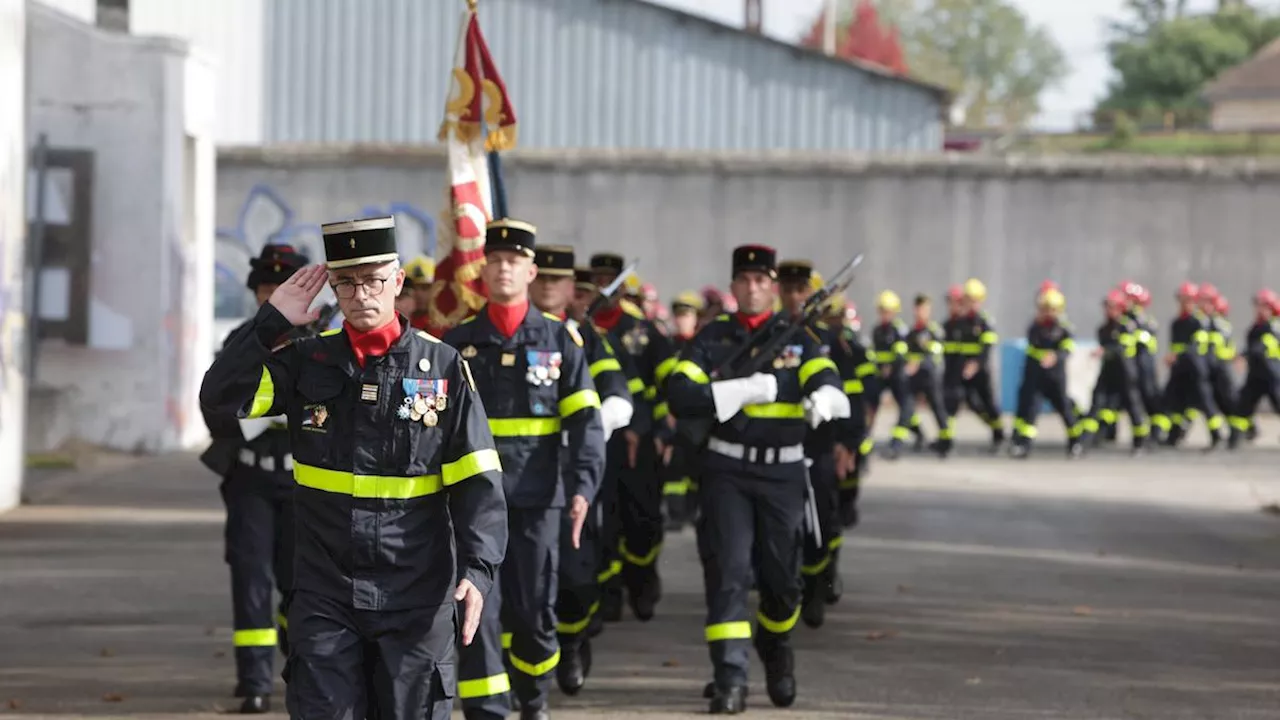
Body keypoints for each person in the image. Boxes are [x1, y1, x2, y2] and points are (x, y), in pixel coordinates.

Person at [199, 215, 508, 720]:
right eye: (346, 282)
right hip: (326, 594)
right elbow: (220, 398)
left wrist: (479, 568)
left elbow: (478, 479)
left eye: (373, 280)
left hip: (416, 595)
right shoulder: (305, 363)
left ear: (398, 282)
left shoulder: (445, 368)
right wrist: (270, 322)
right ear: (333, 289)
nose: (361, 294)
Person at [667, 245, 848, 715]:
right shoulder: (712, 337)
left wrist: (825, 398)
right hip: (727, 469)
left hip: (783, 472)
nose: (753, 287)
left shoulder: (799, 337)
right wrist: (738, 390)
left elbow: (827, 377)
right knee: (728, 572)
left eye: (761, 280)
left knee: (782, 581)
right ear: (733, 287)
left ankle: (775, 644)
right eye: (744, 279)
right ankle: (730, 676)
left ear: (772, 287)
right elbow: (680, 393)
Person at [445, 220, 606, 720]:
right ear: (483, 271)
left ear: (531, 271)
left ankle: (533, 696)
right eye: (494, 261)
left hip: (539, 503)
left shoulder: (562, 342)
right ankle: (489, 710)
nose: (503, 269)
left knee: (536, 618)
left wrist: (583, 487)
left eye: (513, 261)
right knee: (477, 612)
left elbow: (586, 424)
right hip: (475, 507)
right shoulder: (458, 343)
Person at [199, 244, 308, 714]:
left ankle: (301, 665)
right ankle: (255, 681)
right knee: (250, 580)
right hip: (250, 480)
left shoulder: (318, 343)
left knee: (298, 583)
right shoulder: (242, 343)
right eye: (265, 290)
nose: (271, 298)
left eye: (279, 290)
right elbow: (215, 402)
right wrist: (249, 421)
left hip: (303, 487)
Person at [529, 243, 632, 697]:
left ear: (571, 288)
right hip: (517, 470)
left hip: (571, 468)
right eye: (543, 279)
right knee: (519, 577)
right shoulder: (508, 334)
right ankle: (525, 673)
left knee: (575, 576)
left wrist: (599, 419)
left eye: (558, 280)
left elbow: (616, 390)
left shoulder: (584, 338)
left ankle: (571, 641)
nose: (549, 288)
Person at [589, 253, 674, 624]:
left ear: (623, 286)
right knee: (603, 519)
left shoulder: (643, 330)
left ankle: (642, 579)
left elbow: (669, 385)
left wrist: (656, 430)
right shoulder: (583, 327)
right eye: (597, 278)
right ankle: (609, 592)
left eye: (610, 279)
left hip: (640, 442)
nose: (602, 286)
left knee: (642, 518)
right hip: (599, 440)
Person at [775, 261, 859, 630]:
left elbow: (851, 392)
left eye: (801, 290)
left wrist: (848, 442)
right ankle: (784, 589)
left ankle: (814, 586)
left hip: (821, 446)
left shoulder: (829, 340)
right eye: (788, 289)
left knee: (822, 521)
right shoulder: (769, 333)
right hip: (777, 446)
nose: (794, 296)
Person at [1009, 288, 1087, 459]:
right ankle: (1024, 445)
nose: (1046, 312)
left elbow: (1067, 349)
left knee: (1065, 409)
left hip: (1056, 378)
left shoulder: (1064, 329)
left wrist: (1055, 356)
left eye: (1050, 309)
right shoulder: (1035, 327)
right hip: (1037, 377)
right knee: (1031, 411)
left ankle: (1076, 442)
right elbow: (1033, 348)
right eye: (1043, 308)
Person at [1080, 290, 1150, 453]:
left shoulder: (1127, 327)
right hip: (1108, 373)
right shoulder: (1103, 329)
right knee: (1097, 404)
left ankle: (1140, 442)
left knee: (1133, 407)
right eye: (1106, 307)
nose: (1107, 311)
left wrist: (1105, 351)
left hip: (1125, 373)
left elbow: (1122, 348)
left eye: (1111, 307)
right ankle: (1085, 442)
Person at [1163, 282, 1225, 450]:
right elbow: (1175, 346)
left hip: (1196, 370)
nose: (1185, 303)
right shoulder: (1176, 323)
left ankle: (1217, 436)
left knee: (1206, 403)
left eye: (1188, 300)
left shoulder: (1200, 321)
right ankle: (1173, 436)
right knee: (1176, 403)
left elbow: (1196, 346)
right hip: (1179, 371)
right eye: (1182, 299)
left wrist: (1178, 355)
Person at [905, 293, 953, 457]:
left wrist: (918, 362)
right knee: (907, 406)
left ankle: (946, 442)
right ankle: (919, 434)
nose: (920, 312)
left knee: (937, 407)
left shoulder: (935, 331)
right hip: (915, 377)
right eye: (918, 309)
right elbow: (908, 354)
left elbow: (935, 353)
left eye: (923, 309)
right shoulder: (911, 333)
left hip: (931, 376)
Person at [1231, 289, 1280, 447]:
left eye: (1263, 306)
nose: (1259, 309)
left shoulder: (1274, 327)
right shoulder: (1255, 328)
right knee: (1242, 405)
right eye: (1257, 305)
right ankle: (1236, 437)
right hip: (1255, 376)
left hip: (1272, 375)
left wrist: (1244, 356)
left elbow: (1261, 346)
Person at [870, 291, 914, 459]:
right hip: (881, 375)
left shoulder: (899, 330)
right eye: (882, 310)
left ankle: (896, 443)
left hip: (897, 376)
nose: (884, 315)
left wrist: (890, 367)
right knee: (871, 406)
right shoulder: (877, 330)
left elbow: (901, 354)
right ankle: (864, 442)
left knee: (906, 407)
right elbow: (875, 354)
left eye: (887, 311)